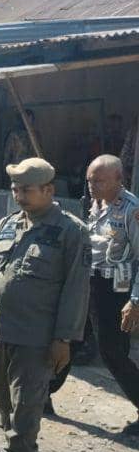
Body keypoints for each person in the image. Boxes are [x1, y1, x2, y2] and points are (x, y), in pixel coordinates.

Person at [0, 157, 90, 452]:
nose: (18, 195)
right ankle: (11, 446)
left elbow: (76, 289)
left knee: (27, 402)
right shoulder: (7, 224)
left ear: (48, 190)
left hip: (39, 335)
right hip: (3, 330)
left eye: (26, 190)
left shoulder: (70, 231)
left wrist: (64, 338)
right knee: (1, 394)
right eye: (15, 189)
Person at [84, 154, 139, 435]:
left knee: (112, 353)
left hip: (115, 291)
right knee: (64, 337)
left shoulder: (131, 210)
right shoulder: (93, 202)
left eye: (99, 181)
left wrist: (135, 300)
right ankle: (42, 397)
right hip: (88, 281)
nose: (92, 186)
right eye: (90, 180)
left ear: (119, 179)